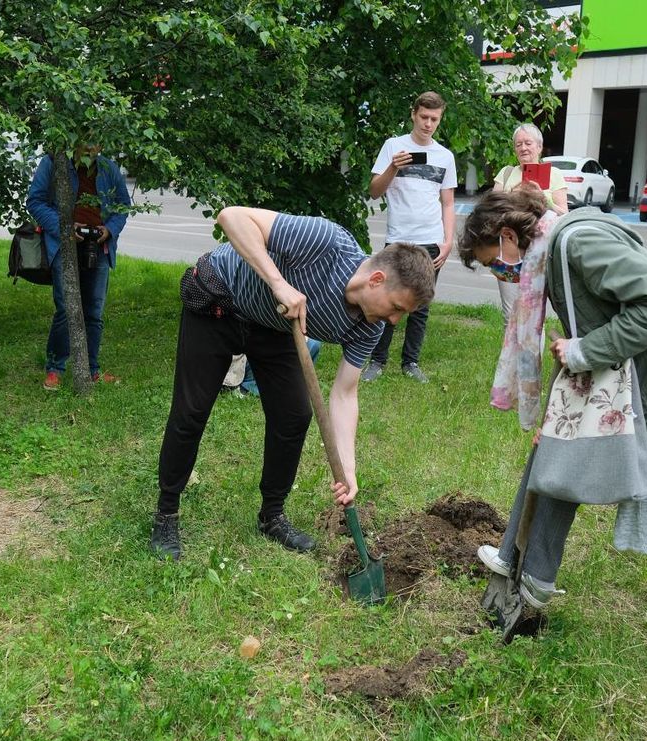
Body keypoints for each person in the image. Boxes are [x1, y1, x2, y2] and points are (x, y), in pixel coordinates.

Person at [459, 194, 647, 698]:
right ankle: (528, 574)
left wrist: (586, 349)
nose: (505, 278)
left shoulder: (578, 243)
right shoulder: (557, 250)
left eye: (499, 266)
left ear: (509, 237)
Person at [150, 207, 435, 561]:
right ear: (377, 279)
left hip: (273, 326)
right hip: (220, 300)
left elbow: (345, 393)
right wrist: (279, 283)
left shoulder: (369, 326)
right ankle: (166, 514)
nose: (394, 320)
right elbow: (230, 218)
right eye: (396, 307)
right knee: (192, 410)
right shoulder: (327, 242)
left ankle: (272, 516)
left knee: (294, 415)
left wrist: (348, 469)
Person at [362, 92, 457, 385]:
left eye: (435, 119)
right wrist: (393, 167)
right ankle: (377, 361)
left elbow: (448, 203)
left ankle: (411, 362)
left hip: (431, 239)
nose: (428, 124)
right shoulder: (394, 146)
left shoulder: (445, 156)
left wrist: (448, 240)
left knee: (420, 305)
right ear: (414, 114)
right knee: (386, 298)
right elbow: (374, 191)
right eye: (424, 117)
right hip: (398, 237)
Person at [26, 145, 131, 390]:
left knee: (94, 311)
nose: (91, 146)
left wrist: (110, 230)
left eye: (96, 141)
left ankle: (92, 369)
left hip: (99, 247)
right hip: (64, 247)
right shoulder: (54, 163)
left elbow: (122, 204)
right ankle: (55, 370)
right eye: (86, 138)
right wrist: (65, 228)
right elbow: (36, 201)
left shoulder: (107, 166)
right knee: (66, 308)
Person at [463, 189, 561, 431]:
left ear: (508, 235)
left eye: (492, 263)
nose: (496, 272)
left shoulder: (566, 248)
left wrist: (582, 349)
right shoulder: (546, 258)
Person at [491, 124, 569, 321]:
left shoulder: (555, 175)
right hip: (508, 250)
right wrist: (512, 195)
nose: (523, 148)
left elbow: (563, 215)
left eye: (528, 143)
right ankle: (511, 353)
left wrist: (543, 197)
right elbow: (491, 210)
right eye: (519, 144)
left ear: (539, 147)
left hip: (541, 252)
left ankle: (533, 353)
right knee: (510, 314)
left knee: (534, 315)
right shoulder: (506, 173)